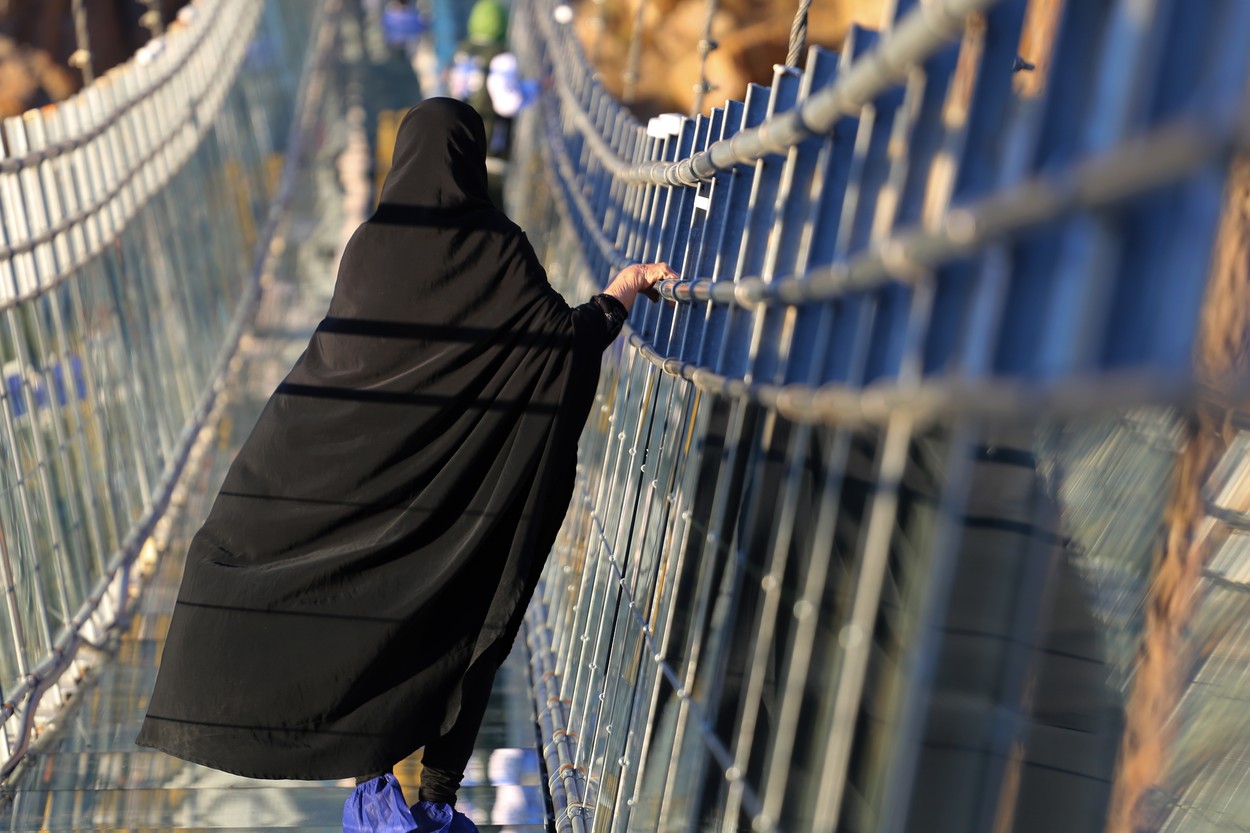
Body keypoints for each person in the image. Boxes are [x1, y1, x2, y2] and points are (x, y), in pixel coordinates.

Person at [135, 98, 675, 832]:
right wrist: (619, 297)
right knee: (472, 608)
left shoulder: (370, 245)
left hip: (352, 492)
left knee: (360, 614)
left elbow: (347, 367)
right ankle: (434, 797)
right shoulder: (495, 244)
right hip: (452, 509)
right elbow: (557, 350)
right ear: (469, 159)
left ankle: (378, 775)